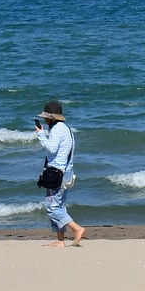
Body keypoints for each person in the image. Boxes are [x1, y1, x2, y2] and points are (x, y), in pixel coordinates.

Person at [35, 100, 85, 247]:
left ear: (51, 117)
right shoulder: (66, 129)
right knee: (60, 206)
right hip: (66, 172)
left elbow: (51, 149)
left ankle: (77, 228)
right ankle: (60, 240)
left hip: (58, 174)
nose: (44, 120)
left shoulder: (57, 130)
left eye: (46, 117)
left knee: (52, 207)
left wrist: (40, 134)